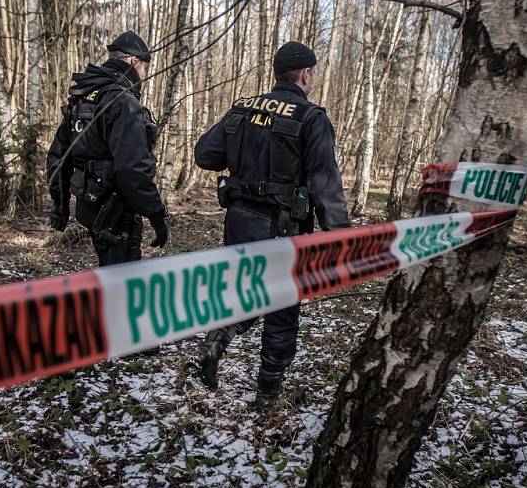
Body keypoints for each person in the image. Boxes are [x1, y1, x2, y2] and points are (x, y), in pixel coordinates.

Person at [193, 41, 349, 409]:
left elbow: (205, 155)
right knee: (281, 310)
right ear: (306, 74)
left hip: (238, 222)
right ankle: (267, 397)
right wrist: (342, 237)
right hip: (281, 229)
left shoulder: (243, 109)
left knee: (246, 289)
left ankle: (220, 333)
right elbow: (325, 183)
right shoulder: (310, 117)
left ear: (277, 72)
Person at [46, 31, 168, 267]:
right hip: (116, 212)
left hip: (90, 207)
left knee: (109, 276)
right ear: (133, 61)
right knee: (122, 287)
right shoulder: (122, 101)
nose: (143, 75)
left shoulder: (83, 96)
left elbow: (57, 157)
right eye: (144, 68)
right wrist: (156, 214)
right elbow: (132, 167)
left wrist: (59, 207)